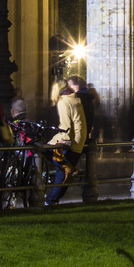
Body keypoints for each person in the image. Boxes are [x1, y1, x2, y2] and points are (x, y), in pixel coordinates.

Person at [45, 76, 88, 206]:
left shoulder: (63, 102)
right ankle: (52, 200)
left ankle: (51, 200)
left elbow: (65, 126)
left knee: (46, 151)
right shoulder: (74, 99)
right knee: (63, 176)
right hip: (79, 140)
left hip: (72, 140)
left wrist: (58, 139)